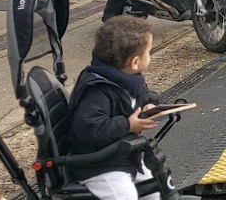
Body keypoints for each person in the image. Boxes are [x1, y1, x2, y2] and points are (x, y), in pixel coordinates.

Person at [68, 16, 161, 200]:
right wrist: (127, 125)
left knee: (153, 188)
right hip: (100, 164)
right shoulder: (97, 90)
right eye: (148, 53)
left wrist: (150, 103)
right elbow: (90, 128)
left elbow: (143, 94)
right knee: (124, 196)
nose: (149, 57)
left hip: (123, 155)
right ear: (135, 62)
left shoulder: (128, 78)